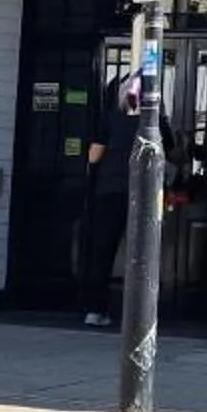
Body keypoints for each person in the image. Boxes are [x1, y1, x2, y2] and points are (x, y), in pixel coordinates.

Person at [76, 76, 140, 327]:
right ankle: (139, 311)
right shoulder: (155, 122)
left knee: (102, 251)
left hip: (109, 190)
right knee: (141, 254)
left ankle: (95, 309)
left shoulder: (111, 119)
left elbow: (93, 156)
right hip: (141, 195)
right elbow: (174, 153)